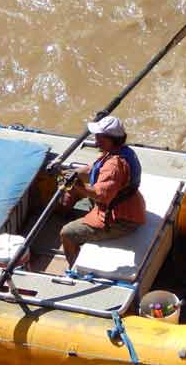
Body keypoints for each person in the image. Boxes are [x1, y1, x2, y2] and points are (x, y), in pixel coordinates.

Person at [58, 115, 146, 268]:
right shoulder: (116, 151)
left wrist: (78, 185)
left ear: (111, 139)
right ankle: (65, 214)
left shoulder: (114, 166)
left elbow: (102, 196)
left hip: (121, 219)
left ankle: (75, 269)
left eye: (99, 137)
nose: (96, 141)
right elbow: (92, 170)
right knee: (71, 192)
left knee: (66, 233)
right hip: (125, 202)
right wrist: (72, 173)